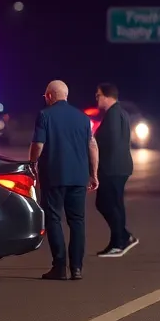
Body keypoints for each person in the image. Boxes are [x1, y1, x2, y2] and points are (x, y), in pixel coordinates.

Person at [29, 80, 97, 280]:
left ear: (50, 96)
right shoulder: (83, 118)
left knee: (53, 219)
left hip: (54, 176)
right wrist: (93, 174)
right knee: (77, 221)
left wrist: (32, 163)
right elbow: (92, 146)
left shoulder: (44, 115)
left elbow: (38, 145)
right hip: (78, 177)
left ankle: (59, 267)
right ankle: (77, 268)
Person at [93, 83, 137, 257]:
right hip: (119, 167)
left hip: (112, 168)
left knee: (108, 204)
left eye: (98, 95)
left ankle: (120, 241)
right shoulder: (120, 113)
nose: (96, 98)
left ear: (106, 96)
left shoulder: (113, 115)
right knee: (113, 204)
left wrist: (94, 155)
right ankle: (121, 238)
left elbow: (109, 143)